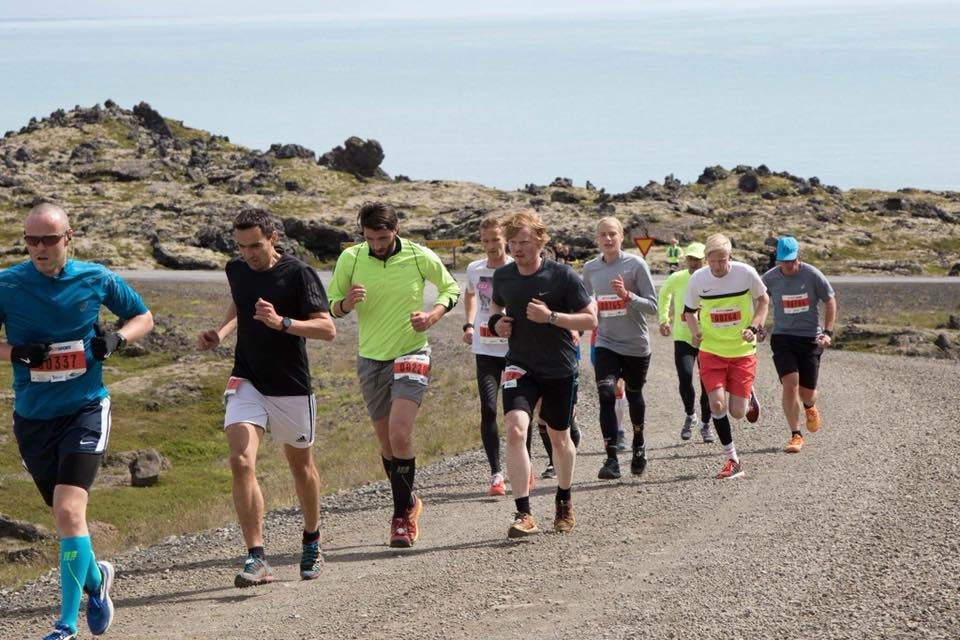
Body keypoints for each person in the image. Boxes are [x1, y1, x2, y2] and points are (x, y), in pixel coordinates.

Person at [1, 203, 154, 640]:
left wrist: (117, 338)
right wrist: (17, 353)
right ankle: (96, 579)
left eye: (49, 239)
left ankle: (65, 625)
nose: (40, 248)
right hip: (33, 417)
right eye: (32, 240)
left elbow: (143, 317)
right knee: (66, 519)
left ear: (69, 238)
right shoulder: (7, 285)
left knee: (69, 510)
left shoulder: (95, 277)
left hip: (86, 407)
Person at [197, 209, 335, 587]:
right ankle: (256, 556)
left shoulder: (298, 273)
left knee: (301, 468)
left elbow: (327, 329)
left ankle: (312, 538)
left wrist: (282, 323)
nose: (248, 254)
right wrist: (221, 334)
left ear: (272, 237)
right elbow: (240, 303)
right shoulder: (236, 269)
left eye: (255, 245)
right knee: (241, 461)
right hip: (247, 379)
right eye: (241, 247)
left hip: (290, 385)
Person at [328, 202, 460, 548]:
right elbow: (330, 304)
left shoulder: (419, 256)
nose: (377, 244)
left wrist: (432, 316)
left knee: (400, 435)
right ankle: (410, 501)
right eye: (370, 238)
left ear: (396, 229)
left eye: (383, 237)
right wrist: (347, 303)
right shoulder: (351, 259)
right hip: (370, 358)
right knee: (386, 445)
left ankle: (400, 518)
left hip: (412, 352)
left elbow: (451, 289)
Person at [488, 209, 596, 537]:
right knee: (516, 429)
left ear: (539, 240)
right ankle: (524, 513)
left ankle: (563, 500)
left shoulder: (562, 276)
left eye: (523, 241)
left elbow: (590, 320)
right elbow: (496, 306)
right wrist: (496, 323)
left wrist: (551, 318)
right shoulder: (503, 276)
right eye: (513, 242)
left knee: (559, 437)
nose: (517, 248)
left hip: (559, 367)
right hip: (520, 364)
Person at [683, 233, 768, 480]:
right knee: (716, 404)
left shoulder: (745, 273)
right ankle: (733, 460)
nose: (720, 266)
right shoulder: (698, 279)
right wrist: (695, 332)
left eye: (724, 260)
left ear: (730, 256)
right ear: (706, 258)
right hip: (711, 351)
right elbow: (689, 311)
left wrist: (753, 327)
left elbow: (763, 300)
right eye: (714, 261)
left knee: (738, 412)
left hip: (742, 350)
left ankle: (748, 395)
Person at [582, 217, 658, 479]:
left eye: (612, 234)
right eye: (603, 234)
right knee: (605, 391)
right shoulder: (590, 268)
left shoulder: (635, 264)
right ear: (597, 238)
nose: (608, 239)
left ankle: (639, 443)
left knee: (634, 394)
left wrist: (627, 296)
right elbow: (585, 304)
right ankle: (611, 459)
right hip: (606, 342)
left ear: (621, 236)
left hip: (636, 344)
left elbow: (653, 306)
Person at [761, 236, 837, 454]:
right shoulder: (770, 278)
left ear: (798, 257)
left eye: (792, 260)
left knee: (807, 393)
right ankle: (795, 434)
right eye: (784, 261)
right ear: (778, 260)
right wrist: (758, 326)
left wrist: (827, 332)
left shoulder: (812, 275)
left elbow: (830, 300)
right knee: (790, 383)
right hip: (783, 337)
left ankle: (810, 407)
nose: (789, 265)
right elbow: (760, 301)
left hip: (809, 338)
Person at [462, 216, 513, 496]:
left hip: (515, 349)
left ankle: (523, 467)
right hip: (485, 349)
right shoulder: (475, 268)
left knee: (518, 411)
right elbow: (469, 295)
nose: (491, 246)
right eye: (486, 241)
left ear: (504, 238)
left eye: (496, 239)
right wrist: (469, 324)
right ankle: (496, 473)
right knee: (488, 408)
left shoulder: (516, 267)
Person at [657, 241, 714, 443]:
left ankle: (706, 424)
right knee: (685, 377)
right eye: (690, 259)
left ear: (704, 260)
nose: (693, 263)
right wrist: (664, 319)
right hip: (683, 337)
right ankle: (690, 415)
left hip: (708, 338)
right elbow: (664, 295)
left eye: (697, 259)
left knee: (707, 383)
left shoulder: (711, 278)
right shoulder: (677, 278)